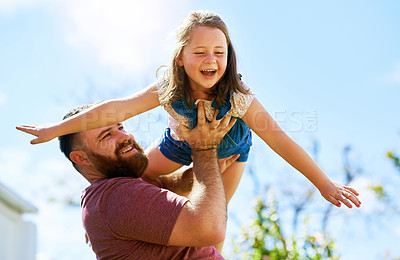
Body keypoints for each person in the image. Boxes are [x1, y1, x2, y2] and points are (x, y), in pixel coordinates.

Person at [46, 101, 236, 259]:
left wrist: (208, 165)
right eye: (106, 136)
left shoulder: (116, 192)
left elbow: (168, 185)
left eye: (120, 127)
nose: (125, 136)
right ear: (81, 158)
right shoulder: (113, 197)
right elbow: (209, 229)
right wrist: (204, 150)